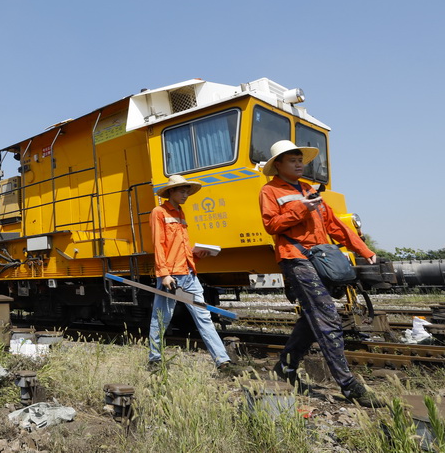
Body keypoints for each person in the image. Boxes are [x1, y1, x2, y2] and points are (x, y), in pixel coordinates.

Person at [259, 140, 384, 408]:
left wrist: (363, 249)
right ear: (277, 165)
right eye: (291, 159)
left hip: (318, 258)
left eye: (300, 158)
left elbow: (335, 225)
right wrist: (302, 207)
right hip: (295, 259)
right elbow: (272, 225)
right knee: (326, 315)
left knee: (311, 317)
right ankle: (349, 385)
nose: (298, 162)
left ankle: (285, 369)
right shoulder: (269, 190)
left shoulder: (309, 189)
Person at [147, 175, 243, 375]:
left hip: (189, 275)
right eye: (182, 191)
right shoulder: (159, 212)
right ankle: (154, 359)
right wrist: (164, 274)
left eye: (187, 192)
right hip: (172, 276)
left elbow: (179, 247)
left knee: (204, 317)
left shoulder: (181, 213)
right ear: (171, 192)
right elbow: (158, 245)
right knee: (162, 318)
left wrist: (196, 255)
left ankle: (222, 361)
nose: (185, 195)